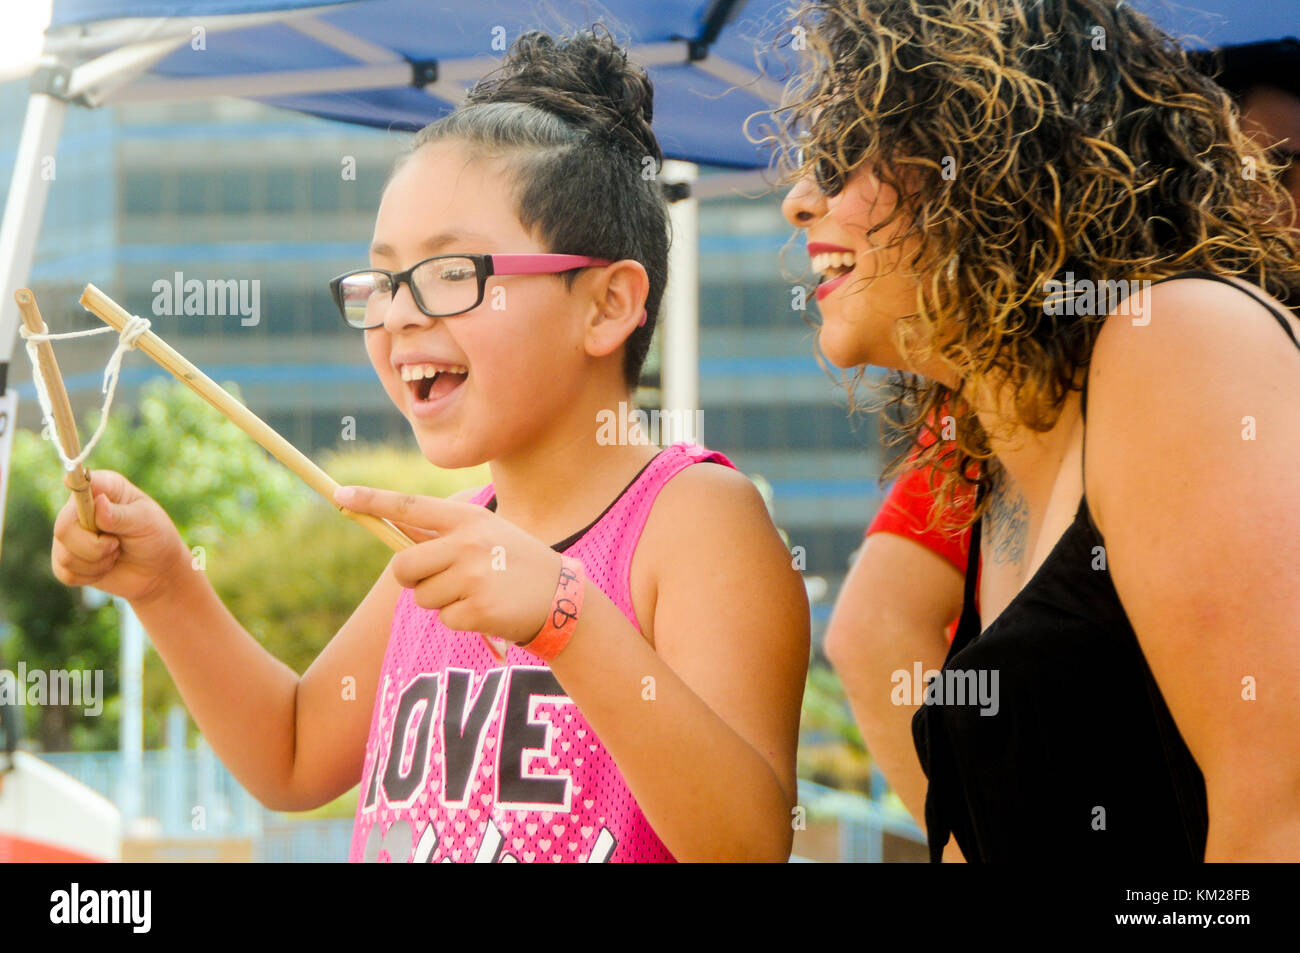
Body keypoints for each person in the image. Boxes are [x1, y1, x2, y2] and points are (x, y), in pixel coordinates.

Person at [50, 28, 810, 863]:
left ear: (606, 305)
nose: (400, 312)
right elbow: (294, 754)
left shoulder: (695, 519)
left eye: (453, 273)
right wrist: (165, 586)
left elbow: (747, 843)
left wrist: (564, 618)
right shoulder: (446, 539)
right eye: (382, 280)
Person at [775, 0, 1300, 861]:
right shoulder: (997, 454)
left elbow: (1278, 822)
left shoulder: (1180, 339)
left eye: (842, 151)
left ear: (988, 160)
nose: (801, 201)